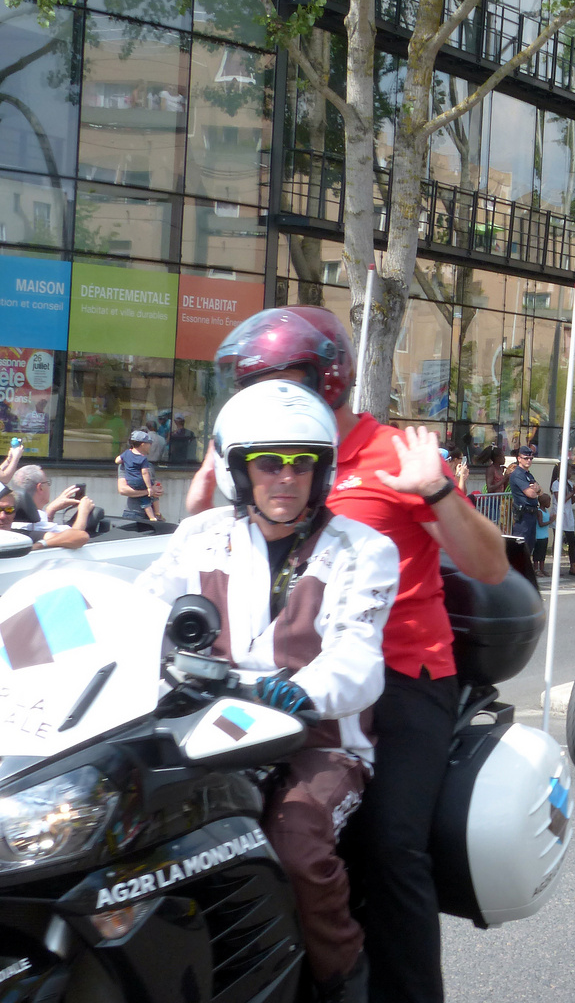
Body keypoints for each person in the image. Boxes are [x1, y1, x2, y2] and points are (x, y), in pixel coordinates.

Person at [191, 305, 509, 1003]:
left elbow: (488, 568)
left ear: (328, 380)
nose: (266, 395)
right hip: (269, 674)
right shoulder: (253, 445)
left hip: (396, 674)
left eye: (282, 378)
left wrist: (439, 490)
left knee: (389, 846)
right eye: (251, 382)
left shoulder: (394, 452)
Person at [142, 381, 401, 1002]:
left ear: (321, 470)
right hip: (204, 727)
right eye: (267, 463)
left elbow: (359, 659)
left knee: (297, 843)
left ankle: (344, 979)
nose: (284, 477)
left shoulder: (362, 549)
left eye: (300, 463)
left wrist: (300, 692)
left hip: (316, 740)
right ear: (239, 470)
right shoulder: (200, 537)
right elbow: (141, 609)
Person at [7, 465, 97, 550]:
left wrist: (50, 510)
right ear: (40, 487)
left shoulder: (9, 519)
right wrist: (83, 512)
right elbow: (75, 536)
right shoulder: (36, 528)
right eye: (47, 483)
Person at [116, 430, 162, 520]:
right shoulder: (124, 465)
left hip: (151, 514)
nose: (151, 446)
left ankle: (157, 513)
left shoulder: (148, 464)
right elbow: (122, 490)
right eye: (149, 443)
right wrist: (149, 491)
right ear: (143, 444)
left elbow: (153, 482)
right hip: (133, 513)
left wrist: (159, 489)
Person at [507, 445, 541, 555]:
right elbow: (531, 494)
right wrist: (536, 490)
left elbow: (541, 491)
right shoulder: (517, 474)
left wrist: (537, 489)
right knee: (520, 545)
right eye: (526, 458)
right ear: (519, 458)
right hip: (523, 515)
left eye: (531, 458)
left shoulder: (528, 474)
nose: (529, 461)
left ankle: (524, 571)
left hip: (531, 514)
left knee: (529, 545)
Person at [551, 464, 575, 575]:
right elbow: (560, 500)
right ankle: (556, 567)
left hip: (568, 514)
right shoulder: (556, 484)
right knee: (557, 540)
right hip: (558, 514)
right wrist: (572, 492)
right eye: (569, 470)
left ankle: (573, 566)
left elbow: (571, 501)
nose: (571, 473)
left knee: (572, 540)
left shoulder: (569, 484)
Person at [533, 492, 552, 573]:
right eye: (548, 502)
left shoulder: (546, 511)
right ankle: (536, 569)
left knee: (543, 554)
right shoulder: (539, 511)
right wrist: (551, 521)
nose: (549, 504)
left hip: (545, 536)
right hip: (539, 536)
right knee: (537, 553)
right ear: (544, 503)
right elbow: (541, 524)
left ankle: (542, 568)